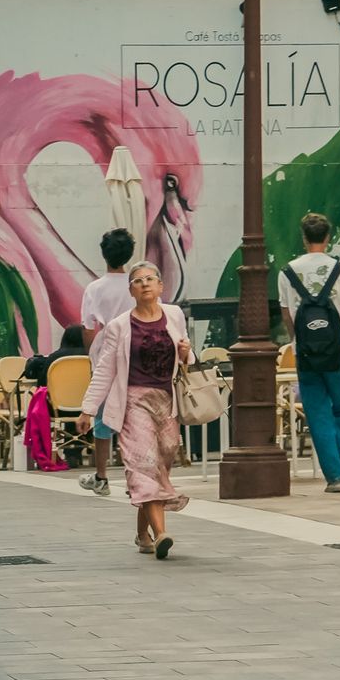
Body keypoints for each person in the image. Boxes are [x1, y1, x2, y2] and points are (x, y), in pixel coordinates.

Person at [78, 261, 194, 560]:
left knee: (161, 463)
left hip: (166, 401)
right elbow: (105, 369)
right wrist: (88, 410)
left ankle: (142, 533)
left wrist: (186, 353)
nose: (144, 284)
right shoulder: (119, 326)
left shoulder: (174, 314)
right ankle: (161, 534)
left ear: (160, 286)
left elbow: (187, 357)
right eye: (138, 280)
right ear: (131, 290)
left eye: (150, 278)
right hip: (133, 401)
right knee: (144, 464)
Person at [278, 212, 340, 494]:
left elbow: (286, 316)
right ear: (328, 238)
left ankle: (334, 478)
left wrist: (298, 342)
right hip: (337, 350)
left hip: (306, 352)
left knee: (317, 412)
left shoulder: (287, 272)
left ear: (304, 238)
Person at [78, 229, 137, 497]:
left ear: (104, 254)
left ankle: (101, 476)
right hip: (136, 355)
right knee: (133, 418)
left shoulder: (95, 288)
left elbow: (90, 327)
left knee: (103, 417)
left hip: (106, 357)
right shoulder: (137, 284)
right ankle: (134, 476)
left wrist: (93, 354)